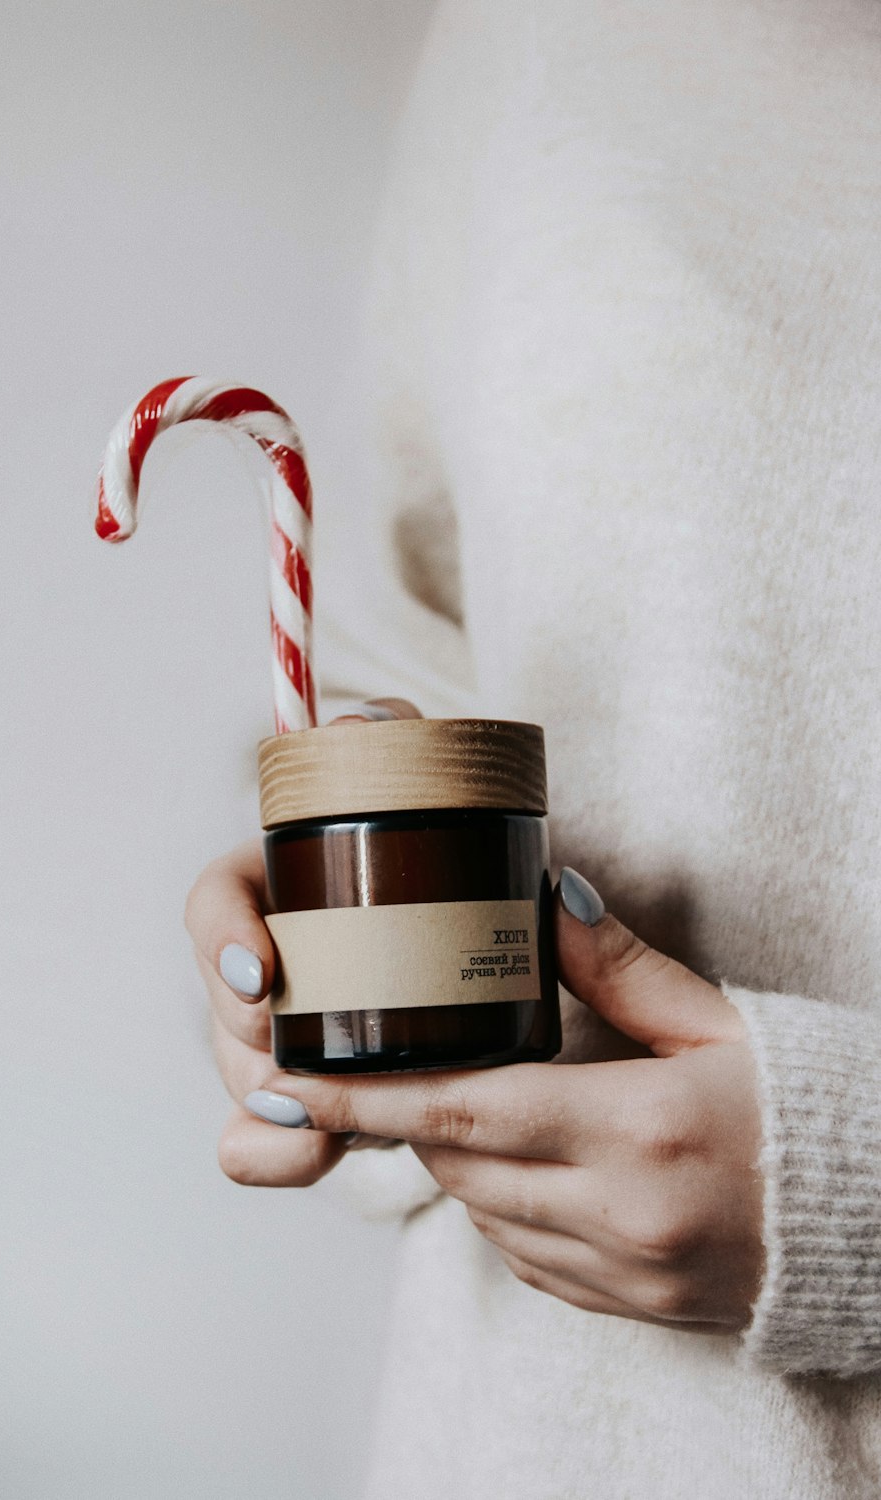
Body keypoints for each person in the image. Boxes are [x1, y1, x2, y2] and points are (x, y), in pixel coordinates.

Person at [186, 1, 881, 1494]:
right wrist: (338, 939)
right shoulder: (526, 43)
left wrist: (858, 1197)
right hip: (537, 1436)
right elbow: (415, 652)